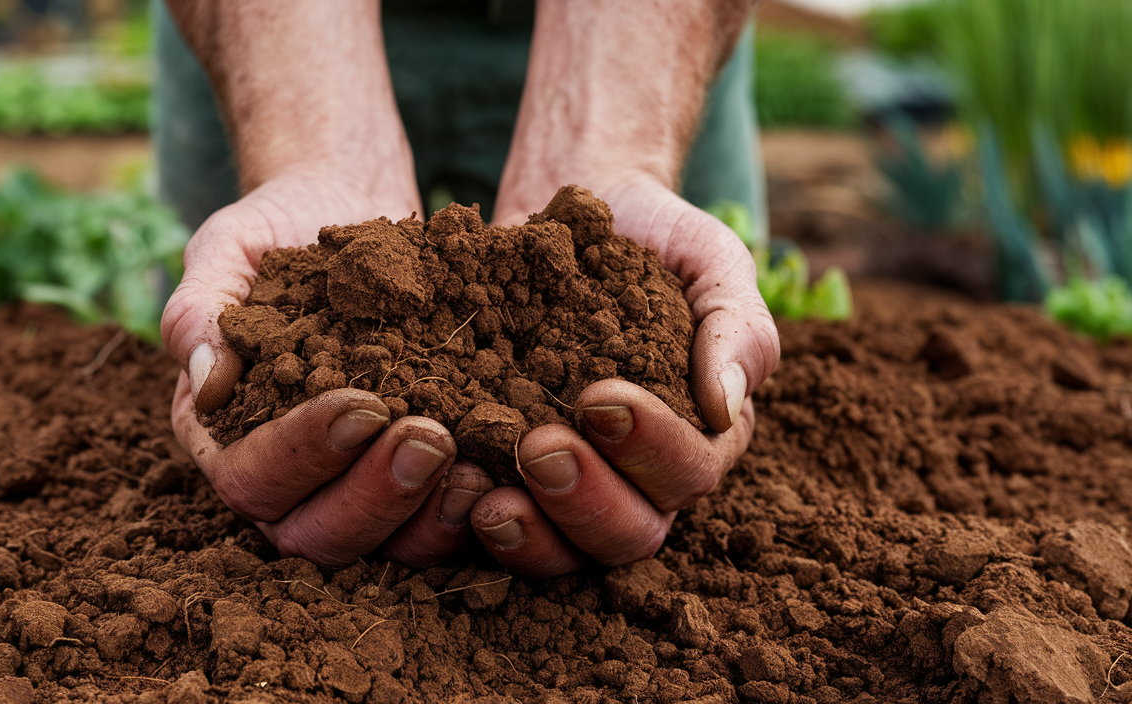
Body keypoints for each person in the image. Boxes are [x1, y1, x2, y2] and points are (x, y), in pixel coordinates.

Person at [154, 0, 781, 577]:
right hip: (281, 29)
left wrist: (606, 148)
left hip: (637, 29)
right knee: (241, 355)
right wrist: (311, 150)